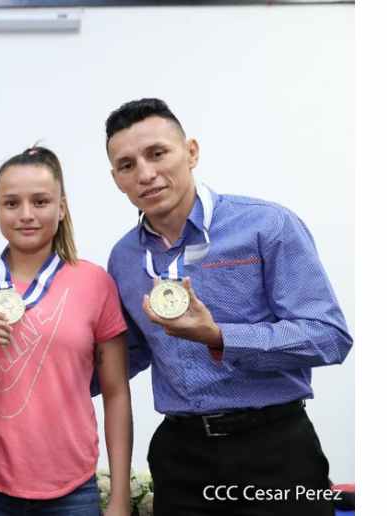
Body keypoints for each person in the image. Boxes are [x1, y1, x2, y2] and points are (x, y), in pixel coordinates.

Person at [104, 98, 353, 516]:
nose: (145, 174)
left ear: (192, 152)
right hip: (181, 458)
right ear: (117, 179)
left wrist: (220, 337)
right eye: (127, 165)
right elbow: (131, 353)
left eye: (157, 153)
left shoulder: (266, 226)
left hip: (274, 449)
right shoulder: (125, 258)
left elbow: (329, 336)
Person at [0, 146, 133, 516]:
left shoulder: (96, 283)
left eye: (41, 201)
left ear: (61, 208)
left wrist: (120, 496)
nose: (26, 214)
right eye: (11, 203)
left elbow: (115, 392)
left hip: (72, 489)